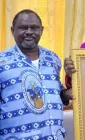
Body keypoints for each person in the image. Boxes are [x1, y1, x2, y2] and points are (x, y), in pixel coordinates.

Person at [0, 9, 73, 140]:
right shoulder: (2, 62)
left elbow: (54, 92)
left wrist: (67, 92)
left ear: (42, 30)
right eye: (23, 28)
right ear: (12, 31)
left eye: (34, 28)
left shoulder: (52, 58)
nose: (29, 32)